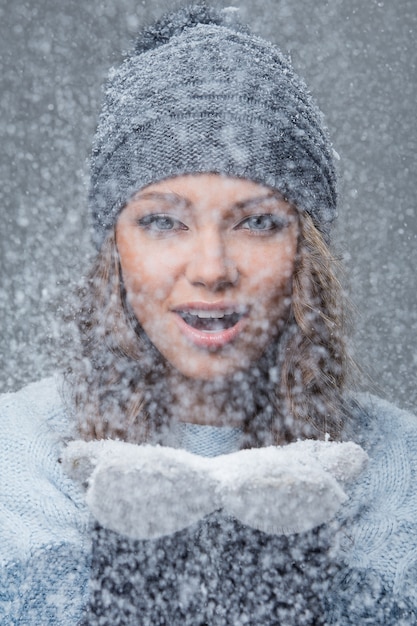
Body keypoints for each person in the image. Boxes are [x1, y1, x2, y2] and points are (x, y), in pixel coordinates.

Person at [1, 5, 417, 625]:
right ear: (114, 246)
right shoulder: (15, 456)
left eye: (257, 222)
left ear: (307, 249)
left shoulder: (399, 466)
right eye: (164, 221)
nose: (212, 268)